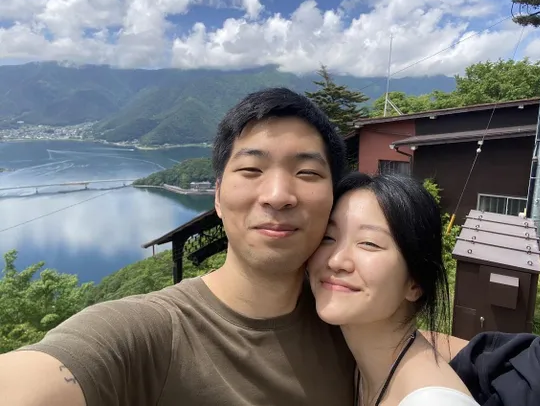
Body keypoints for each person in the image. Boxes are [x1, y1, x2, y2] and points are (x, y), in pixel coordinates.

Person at [0, 87, 356, 405]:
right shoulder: (149, 335)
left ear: (333, 197)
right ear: (217, 197)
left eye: (307, 173)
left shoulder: (354, 325)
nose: (278, 196)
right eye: (251, 170)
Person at [308, 172, 479, 406]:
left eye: (369, 243)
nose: (336, 261)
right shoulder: (358, 365)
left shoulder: (433, 401)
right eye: (328, 237)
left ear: (415, 283)